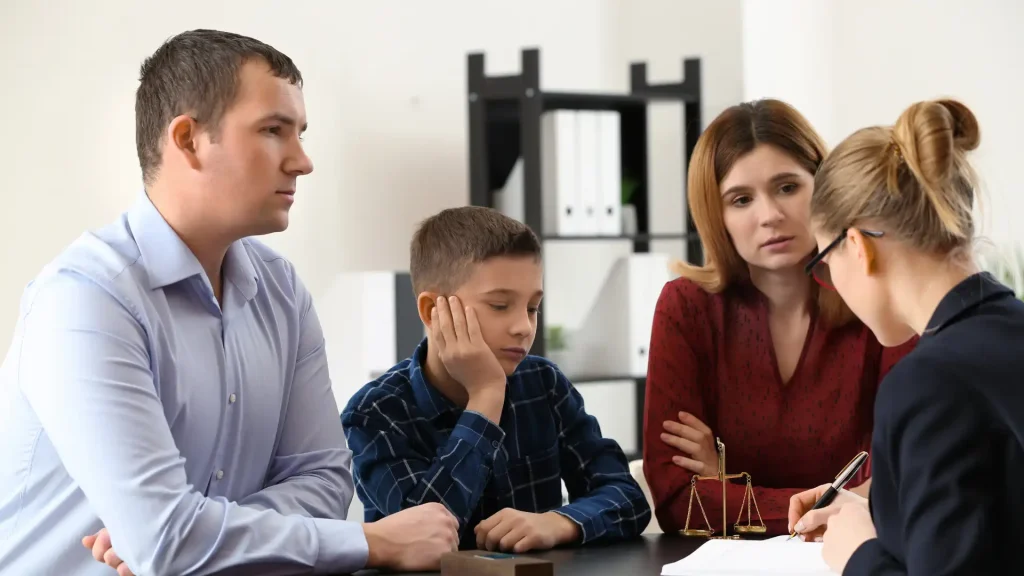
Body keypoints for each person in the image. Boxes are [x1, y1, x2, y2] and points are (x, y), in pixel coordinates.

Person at [0, 29, 457, 576]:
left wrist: (195, 530)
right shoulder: (85, 301)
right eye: (273, 131)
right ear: (189, 140)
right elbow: (169, 540)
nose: (302, 161)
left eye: (300, 133)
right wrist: (369, 542)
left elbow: (325, 482)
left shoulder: (282, 291)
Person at [642, 99, 917, 537]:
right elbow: (680, 501)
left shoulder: (879, 299)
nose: (769, 215)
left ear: (823, 187)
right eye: (741, 199)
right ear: (717, 215)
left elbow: (903, 482)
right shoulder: (687, 307)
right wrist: (838, 504)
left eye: (787, 187)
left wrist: (729, 487)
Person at [786, 99, 1024, 574]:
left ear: (856, 247)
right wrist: (878, 511)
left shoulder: (926, 383)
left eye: (824, 263)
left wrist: (859, 555)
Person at [341, 206, 651, 553]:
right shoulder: (373, 414)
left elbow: (627, 497)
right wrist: (486, 396)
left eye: (532, 307)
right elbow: (425, 536)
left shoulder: (543, 383)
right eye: (501, 305)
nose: (523, 326)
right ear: (433, 311)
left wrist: (557, 522)